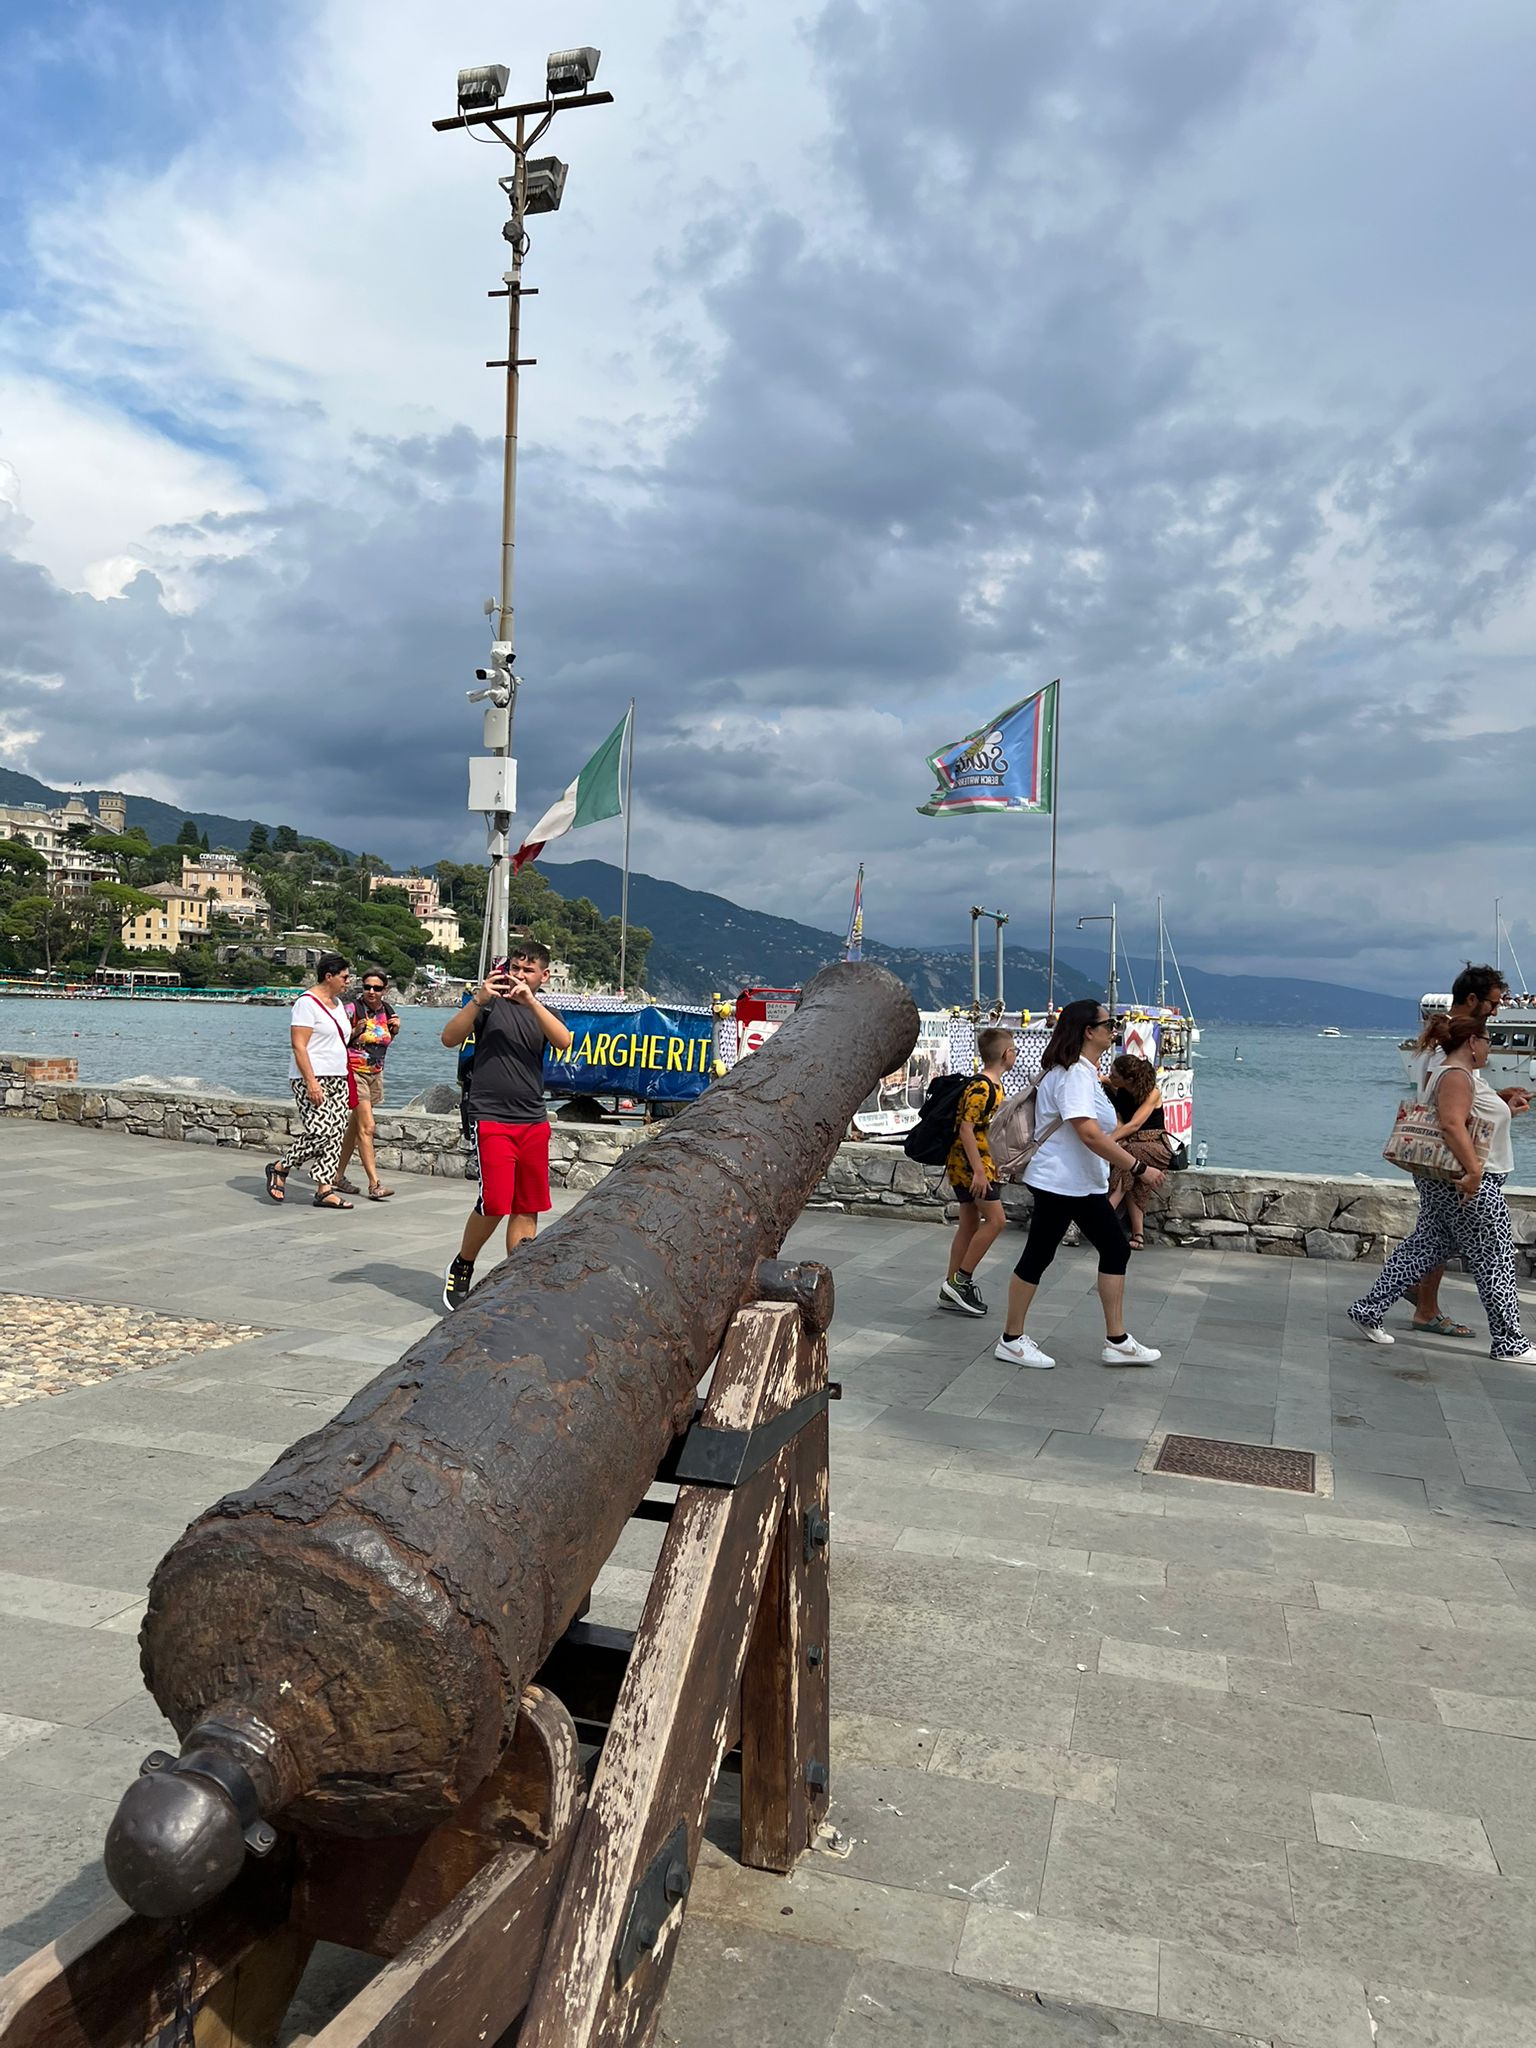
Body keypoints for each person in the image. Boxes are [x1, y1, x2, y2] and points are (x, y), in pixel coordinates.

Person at [1351, 1014, 1536, 1362]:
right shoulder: (1455, 1075)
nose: (1490, 1048)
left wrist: (1505, 1109)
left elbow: (1469, 1120)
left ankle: (1368, 1309)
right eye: (1488, 1041)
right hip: (1466, 1182)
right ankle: (1509, 1342)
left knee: (1426, 1247)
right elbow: (1451, 1124)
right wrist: (1475, 1172)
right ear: (1472, 1042)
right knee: (1496, 1258)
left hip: (1451, 1182)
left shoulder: (1458, 1074)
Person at [994, 999, 1166, 1370]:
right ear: (1089, 1031)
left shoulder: (1082, 1072)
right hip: (1061, 1181)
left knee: (1107, 1249)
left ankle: (1116, 1340)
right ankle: (1012, 1339)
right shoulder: (1072, 1074)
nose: (1114, 1030)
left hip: (1076, 1182)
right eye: (1109, 1024)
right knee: (1045, 1254)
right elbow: (1087, 1133)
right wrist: (1138, 1167)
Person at [439, 942, 573, 1311]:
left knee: (527, 1204)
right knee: (496, 1201)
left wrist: (530, 1002)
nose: (519, 976)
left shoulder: (545, 1011)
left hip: (532, 1118)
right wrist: (478, 999)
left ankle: (517, 1280)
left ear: (544, 976)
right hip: (491, 1115)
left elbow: (563, 1041)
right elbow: (449, 1038)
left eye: (528, 970)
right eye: (515, 968)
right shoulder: (489, 1006)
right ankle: (463, 1263)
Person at [1407, 965, 1529, 1337]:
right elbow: (1447, 1108)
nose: (1496, 1009)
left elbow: (1462, 1097)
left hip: (1447, 1160)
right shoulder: (1450, 1041)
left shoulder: (1451, 1035)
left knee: (1433, 1239)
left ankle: (1407, 1297)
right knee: (1462, 1246)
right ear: (1472, 999)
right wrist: (1474, 1167)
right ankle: (1425, 1306)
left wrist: (1499, 1100)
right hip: (1454, 1162)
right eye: (1492, 1003)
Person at [265, 953, 356, 1211]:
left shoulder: (338, 1004)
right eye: (344, 977)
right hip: (313, 1077)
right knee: (321, 1132)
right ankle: (280, 1167)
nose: (348, 981)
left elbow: (336, 1040)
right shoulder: (306, 1003)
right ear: (329, 976)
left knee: (336, 1134)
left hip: (338, 1076)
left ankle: (324, 1189)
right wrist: (311, 1082)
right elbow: (299, 1045)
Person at [937, 1027, 1015, 1317]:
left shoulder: (991, 1085)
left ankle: (950, 1288)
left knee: (969, 1223)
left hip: (969, 1163)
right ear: (1006, 1054)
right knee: (996, 1220)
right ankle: (961, 1280)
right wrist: (980, 1172)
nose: (1016, 1055)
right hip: (972, 1165)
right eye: (1015, 1050)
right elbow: (966, 1129)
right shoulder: (983, 1087)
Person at [333, 968, 400, 1201]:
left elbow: (383, 1041)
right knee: (368, 1127)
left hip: (375, 1074)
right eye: (367, 987)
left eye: (377, 988)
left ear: (385, 990)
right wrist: (355, 1031)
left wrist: (395, 1030)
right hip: (354, 1072)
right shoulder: (352, 1009)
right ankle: (374, 1184)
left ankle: (337, 1175)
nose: (371, 991)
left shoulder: (388, 1012)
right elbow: (334, 1039)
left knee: (356, 1126)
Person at [1105, 1053, 1172, 1250]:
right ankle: (1138, 1234)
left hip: (1155, 1144)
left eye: (1115, 1074)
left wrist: (1108, 1142)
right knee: (1133, 1170)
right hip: (1133, 1145)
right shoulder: (1121, 1089)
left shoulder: (1152, 1093)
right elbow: (1121, 1120)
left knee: (1129, 1155)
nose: (1111, 1076)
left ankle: (1107, 1210)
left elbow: (1134, 1125)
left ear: (1129, 1079)